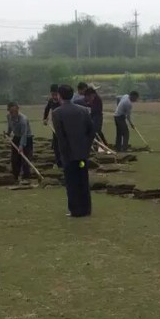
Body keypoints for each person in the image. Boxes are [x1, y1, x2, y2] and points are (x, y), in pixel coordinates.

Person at [52, 84, 96, 218]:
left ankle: (75, 210)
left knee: (72, 182)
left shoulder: (57, 113)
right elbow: (92, 131)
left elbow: (61, 137)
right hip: (82, 155)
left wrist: (63, 155)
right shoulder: (83, 110)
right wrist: (86, 147)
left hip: (69, 156)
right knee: (83, 180)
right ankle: (86, 209)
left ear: (59, 95)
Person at [5, 101, 34, 183]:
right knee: (14, 159)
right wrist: (8, 133)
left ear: (18, 109)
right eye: (11, 112)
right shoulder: (8, 116)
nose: (13, 114)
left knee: (25, 160)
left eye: (15, 111)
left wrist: (21, 146)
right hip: (16, 137)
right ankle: (15, 176)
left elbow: (24, 134)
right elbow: (10, 126)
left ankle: (26, 178)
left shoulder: (23, 119)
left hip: (27, 138)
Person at [42, 83, 62, 166]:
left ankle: (65, 161)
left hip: (63, 127)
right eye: (53, 94)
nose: (54, 97)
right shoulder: (51, 101)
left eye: (56, 94)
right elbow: (47, 109)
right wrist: (45, 118)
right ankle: (58, 162)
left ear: (59, 94)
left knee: (63, 144)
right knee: (56, 146)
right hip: (55, 126)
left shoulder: (62, 101)